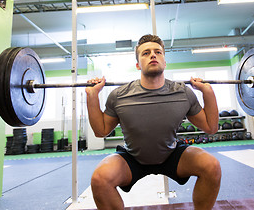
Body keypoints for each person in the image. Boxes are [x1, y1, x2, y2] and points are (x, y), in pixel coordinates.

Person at [85, 34, 221, 209]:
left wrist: (208, 92)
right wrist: (92, 96)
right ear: (137, 64)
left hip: (171, 155)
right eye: (146, 53)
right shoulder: (119, 95)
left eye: (158, 52)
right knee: (100, 178)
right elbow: (101, 131)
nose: (153, 55)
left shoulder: (183, 93)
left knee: (212, 166)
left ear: (165, 61)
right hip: (132, 158)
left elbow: (211, 127)